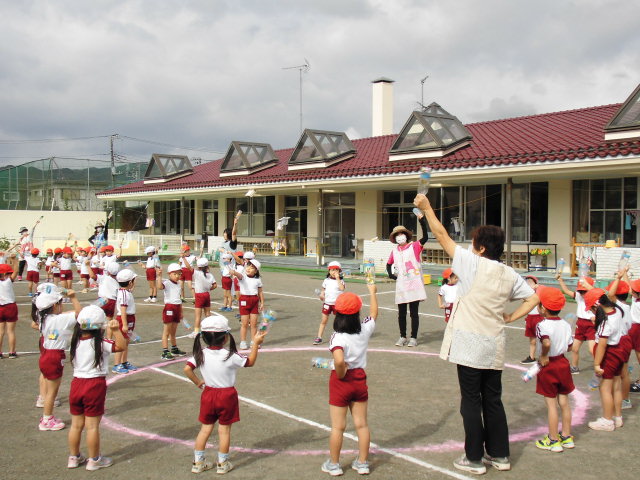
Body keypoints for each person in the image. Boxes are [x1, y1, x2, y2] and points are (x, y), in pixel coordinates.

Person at [413, 193, 538, 475]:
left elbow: (441, 234)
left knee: (471, 400)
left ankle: (473, 458)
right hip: (494, 342)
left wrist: (427, 207)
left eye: (473, 243)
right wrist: (510, 316)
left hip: (469, 342)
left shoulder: (471, 263)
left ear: (480, 248)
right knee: (492, 399)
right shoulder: (509, 273)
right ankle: (500, 455)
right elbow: (533, 299)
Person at [183, 314, 266, 474]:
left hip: (208, 394)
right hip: (227, 396)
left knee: (205, 429)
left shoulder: (200, 353)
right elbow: (250, 362)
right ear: (225, 337)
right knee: (224, 430)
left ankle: (198, 462)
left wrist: (198, 382)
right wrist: (255, 343)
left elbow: (187, 369)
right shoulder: (230, 355)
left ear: (204, 337)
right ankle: (222, 463)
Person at [321, 283, 378, 476]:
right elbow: (374, 314)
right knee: (361, 424)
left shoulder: (337, 337)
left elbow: (338, 360)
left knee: (338, 426)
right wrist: (372, 293)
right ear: (357, 313)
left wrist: (340, 371)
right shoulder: (364, 329)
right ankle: (362, 462)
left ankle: (334, 464)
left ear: (337, 314)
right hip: (359, 379)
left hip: (342, 382)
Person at [67, 305, 126, 470]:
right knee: (92, 426)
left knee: (76, 425)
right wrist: (116, 330)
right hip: (94, 385)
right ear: (100, 327)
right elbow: (121, 346)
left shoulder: (75, 340)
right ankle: (94, 460)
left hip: (76, 383)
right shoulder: (101, 343)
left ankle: (73, 457)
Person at [532, 286, 575, 452]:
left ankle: (553, 439)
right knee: (564, 402)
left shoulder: (542, 325)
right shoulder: (565, 324)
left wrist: (544, 355)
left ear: (542, 308)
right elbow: (570, 347)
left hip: (549, 365)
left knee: (551, 405)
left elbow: (546, 342)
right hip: (563, 363)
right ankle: (566, 436)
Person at [34, 287, 82, 431]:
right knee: (52, 393)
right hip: (55, 356)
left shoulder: (44, 318)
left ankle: (47, 417)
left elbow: (65, 315)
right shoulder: (60, 320)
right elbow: (80, 314)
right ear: (55, 306)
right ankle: (47, 419)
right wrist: (73, 297)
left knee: (49, 390)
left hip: (46, 355)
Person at [583, 288, 625, 431]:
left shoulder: (605, 323)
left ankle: (607, 421)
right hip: (619, 350)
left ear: (596, 306)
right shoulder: (617, 311)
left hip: (609, 355)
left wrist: (596, 364)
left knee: (604, 388)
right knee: (616, 385)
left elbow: (601, 346)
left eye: (592, 309)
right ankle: (617, 416)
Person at [386, 214, 429, 347]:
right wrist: (391, 275)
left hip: (414, 283)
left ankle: (414, 337)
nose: (400, 236)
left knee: (414, 313)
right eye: (397, 234)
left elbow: (426, 237)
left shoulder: (414, 246)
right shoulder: (394, 251)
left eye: (402, 233)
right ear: (395, 238)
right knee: (401, 313)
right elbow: (388, 264)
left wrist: (422, 220)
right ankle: (402, 336)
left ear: (406, 235)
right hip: (402, 285)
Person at [556, 274, 596, 374]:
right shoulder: (578, 296)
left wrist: (596, 317)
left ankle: (601, 366)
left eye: (584, 291)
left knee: (592, 350)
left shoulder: (595, 297)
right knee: (574, 348)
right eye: (580, 291)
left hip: (591, 325)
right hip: (581, 324)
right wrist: (560, 280)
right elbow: (566, 291)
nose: (582, 293)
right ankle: (574, 367)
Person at [607, 272, 633, 409]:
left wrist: (617, 278)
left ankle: (622, 399)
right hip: (626, 340)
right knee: (623, 371)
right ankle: (625, 399)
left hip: (620, 342)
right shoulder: (626, 306)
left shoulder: (619, 306)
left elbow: (610, 295)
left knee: (619, 373)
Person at [229, 258, 264, 350]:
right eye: (248, 266)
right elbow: (239, 275)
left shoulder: (258, 280)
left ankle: (254, 341)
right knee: (244, 323)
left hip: (254, 300)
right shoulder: (243, 277)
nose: (248, 268)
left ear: (256, 271)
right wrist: (234, 272)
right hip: (244, 300)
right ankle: (243, 342)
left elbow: (260, 292)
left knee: (254, 324)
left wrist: (262, 303)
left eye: (252, 267)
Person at [156, 263, 187, 360]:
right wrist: (159, 276)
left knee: (173, 331)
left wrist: (181, 312)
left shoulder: (178, 284)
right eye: (175, 274)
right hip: (169, 308)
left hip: (177, 307)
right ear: (169, 274)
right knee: (167, 331)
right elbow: (160, 287)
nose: (177, 276)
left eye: (179, 274)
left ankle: (174, 349)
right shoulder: (167, 283)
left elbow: (179, 298)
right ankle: (165, 351)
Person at [112, 269, 138, 374]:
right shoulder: (124, 294)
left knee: (126, 342)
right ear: (130, 282)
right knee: (121, 343)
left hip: (130, 318)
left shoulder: (125, 292)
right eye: (134, 280)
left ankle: (124, 362)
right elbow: (123, 309)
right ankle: (117, 365)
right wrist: (125, 324)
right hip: (125, 319)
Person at [314, 261, 345, 345]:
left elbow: (342, 288)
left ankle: (339, 337)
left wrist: (338, 278)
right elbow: (323, 291)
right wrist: (321, 295)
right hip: (327, 303)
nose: (334, 272)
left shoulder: (341, 281)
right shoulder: (326, 280)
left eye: (336, 270)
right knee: (323, 321)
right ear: (329, 271)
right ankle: (319, 337)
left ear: (339, 271)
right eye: (332, 270)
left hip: (337, 304)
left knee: (338, 321)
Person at [190, 257, 217, 337]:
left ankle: (196, 331)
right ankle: (210, 329)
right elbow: (214, 285)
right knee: (208, 313)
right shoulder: (210, 275)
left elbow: (188, 267)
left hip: (199, 295)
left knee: (198, 315)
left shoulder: (197, 273)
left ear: (199, 267)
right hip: (206, 294)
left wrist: (184, 257)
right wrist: (208, 288)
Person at [0, 256, 20, 358]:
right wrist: (15, 260)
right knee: (10, 331)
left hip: (0, 307)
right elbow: (16, 270)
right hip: (10, 306)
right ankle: (12, 352)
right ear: (4, 274)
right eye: (8, 273)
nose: (9, 274)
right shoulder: (8, 281)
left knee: (1, 331)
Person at [521, 275, 543, 365]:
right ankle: (531, 357)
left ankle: (544, 356)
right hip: (530, 317)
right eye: (527, 283)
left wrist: (538, 288)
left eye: (531, 282)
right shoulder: (526, 294)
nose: (528, 284)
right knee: (532, 339)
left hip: (538, 317)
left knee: (542, 339)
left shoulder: (539, 292)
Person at [628, 278, 640, 392]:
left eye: (633, 290)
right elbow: (629, 285)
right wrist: (625, 273)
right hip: (633, 328)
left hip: (637, 329)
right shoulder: (636, 298)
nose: (631, 291)